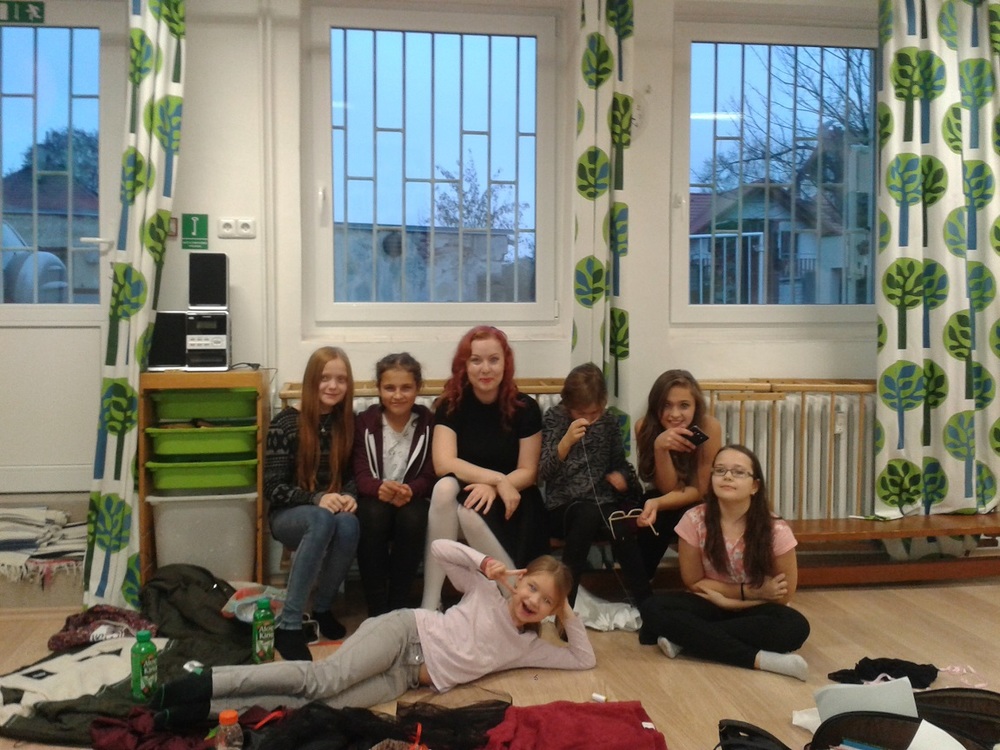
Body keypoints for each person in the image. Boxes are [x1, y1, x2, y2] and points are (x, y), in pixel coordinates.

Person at [152, 539, 595, 719]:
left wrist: (567, 613)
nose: (533, 601)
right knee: (322, 679)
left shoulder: (528, 646)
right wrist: (484, 563)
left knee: (321, 707)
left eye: (546, 601)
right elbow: (439, 549)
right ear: (521, 578)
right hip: (405, 633)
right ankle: (204, 683)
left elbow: (583, 658)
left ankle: (205, 709)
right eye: (532, 587)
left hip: (408, 678)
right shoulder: (485, 592)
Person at [637, 445, 810, 680]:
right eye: (720, 470)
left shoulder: (775, 529)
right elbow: (694, 582)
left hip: (757, 609)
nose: (727, 476)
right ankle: (760, 660)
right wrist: (747, 592)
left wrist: (731, 602)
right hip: (709, 603)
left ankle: (684, 640)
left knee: (795, 626)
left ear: (755, 486)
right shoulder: (693, 520)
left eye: (738, 472)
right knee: (652, 607)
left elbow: (783, 595)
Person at [421, 325, 548, 610]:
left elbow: (529, 472)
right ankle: (430, 602)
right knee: (444, 488)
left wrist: (499, 486)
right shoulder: (450, 404)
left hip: (514, 498)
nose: (485, 369)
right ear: (464, 365)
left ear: (506, 363)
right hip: (468, 490)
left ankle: (512, 595)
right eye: (476, 360)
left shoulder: (525, 407)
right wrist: (496, 479)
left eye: (493, 360)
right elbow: (444, 464)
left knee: (468, 511)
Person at [264, 346, 360, 661]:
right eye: (325, 378)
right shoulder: (285, 423)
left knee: (348, 524)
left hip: (330, 513)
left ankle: (322, 607)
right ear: (311, 381)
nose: (333, 386)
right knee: (322, 519)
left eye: (341, 379)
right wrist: (316, 498)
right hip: (288, 516)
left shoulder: (346, 423)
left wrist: (350, 496)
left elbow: (351, 476)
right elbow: (273, 488)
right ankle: (289, 625)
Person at [539, 363, 651, 606]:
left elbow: (621, 465)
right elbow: (543, 472)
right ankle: (564, 605)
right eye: (582, 413)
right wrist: (565, 443)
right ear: (568, 405)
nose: (589, 419)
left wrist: (623, 479)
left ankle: (647, 605)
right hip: (563, 509)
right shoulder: (554, 418)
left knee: (619, 525)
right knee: (586, 515)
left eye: (595, 413)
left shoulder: (609, 422)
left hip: (602, 504)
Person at [352, 353, 436, 616]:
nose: (397, 395)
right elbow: (360, 472)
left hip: (413, 499)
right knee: (371, 513)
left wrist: (413, 489)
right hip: (376, 499)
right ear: (378, 388)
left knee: (414, 517)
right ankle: (377, 607)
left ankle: (399, 603)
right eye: (389, 388)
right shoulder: (365, 422)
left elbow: (431, 473)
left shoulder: (428, 423)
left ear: (418, 388)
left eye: (406, 388)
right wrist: (378, 488)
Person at [634, 369, 722, 578]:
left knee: (688, 515)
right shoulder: (644, 427)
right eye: (666, 405)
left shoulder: (709, 427)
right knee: (649, 515)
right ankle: (641, 584)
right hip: (666, 493)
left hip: (700, 498)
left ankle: (703, 581)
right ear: (656, 406)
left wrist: (658, 503)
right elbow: (667, 488)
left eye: (684, 405)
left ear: (695, 406)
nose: (674, 414)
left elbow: (700, 490)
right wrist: (660, 448)